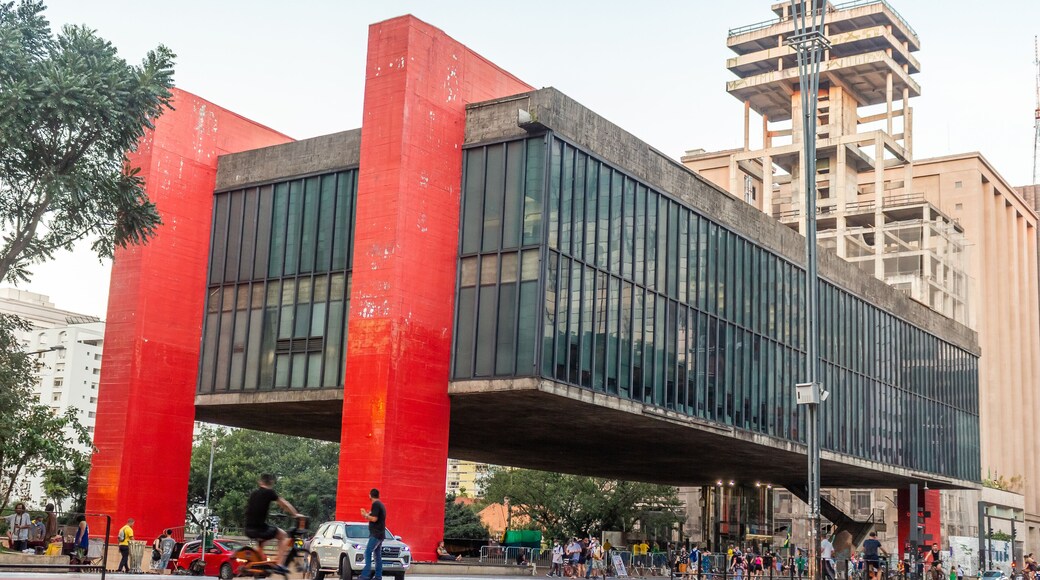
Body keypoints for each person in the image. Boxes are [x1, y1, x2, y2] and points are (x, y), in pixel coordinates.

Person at [244, 473, 300, 574]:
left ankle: (262, 566)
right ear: (271, 482)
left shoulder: (253, 493)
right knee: (283, 535)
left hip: (248, 529)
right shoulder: (270, 492)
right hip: (259, 529)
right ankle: (279, 564)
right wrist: (296, 514)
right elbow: (284, 504)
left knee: (264, 541)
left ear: (260, 482)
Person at [359, 488, 387, 580]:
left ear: (370, 495)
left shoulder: (375, 504)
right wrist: (367, 514)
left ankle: (365, 575)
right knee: (377, 555)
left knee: (367, 552)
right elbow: (375, 516)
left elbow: (374, 519)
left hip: (376, 534)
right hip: (381, 534)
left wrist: (365, 515)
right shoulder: (381, 505)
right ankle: (378, 576)